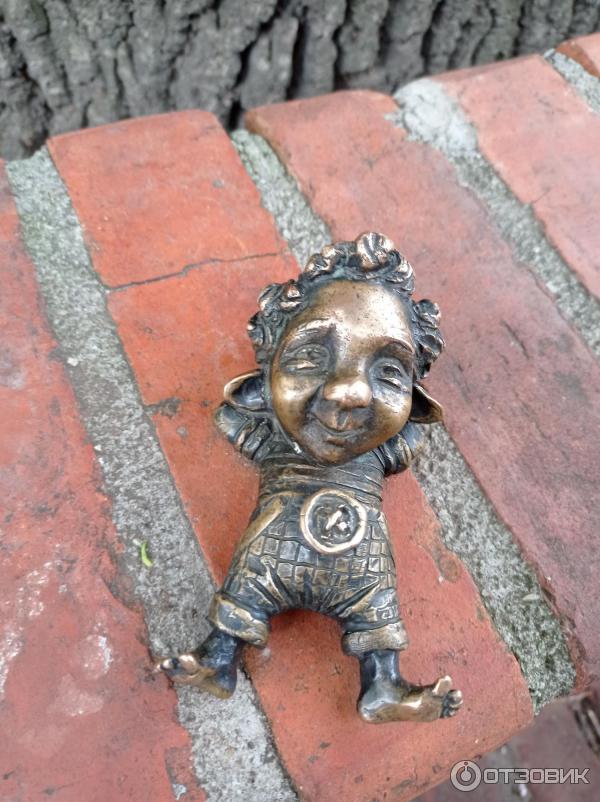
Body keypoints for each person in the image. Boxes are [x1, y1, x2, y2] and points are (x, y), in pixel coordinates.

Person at [158, 232, 462, 723]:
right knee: (248, 582)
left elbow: (407, 444)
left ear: (414, 401)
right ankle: (219, 658)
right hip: (272, 556)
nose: (349, 393)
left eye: (388, 372)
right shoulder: (275, 435)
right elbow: (233, 421)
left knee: (378, 606)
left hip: (361, 571)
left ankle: (382, 686)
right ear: (264, 383)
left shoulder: (381, 450)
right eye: (311, 357)